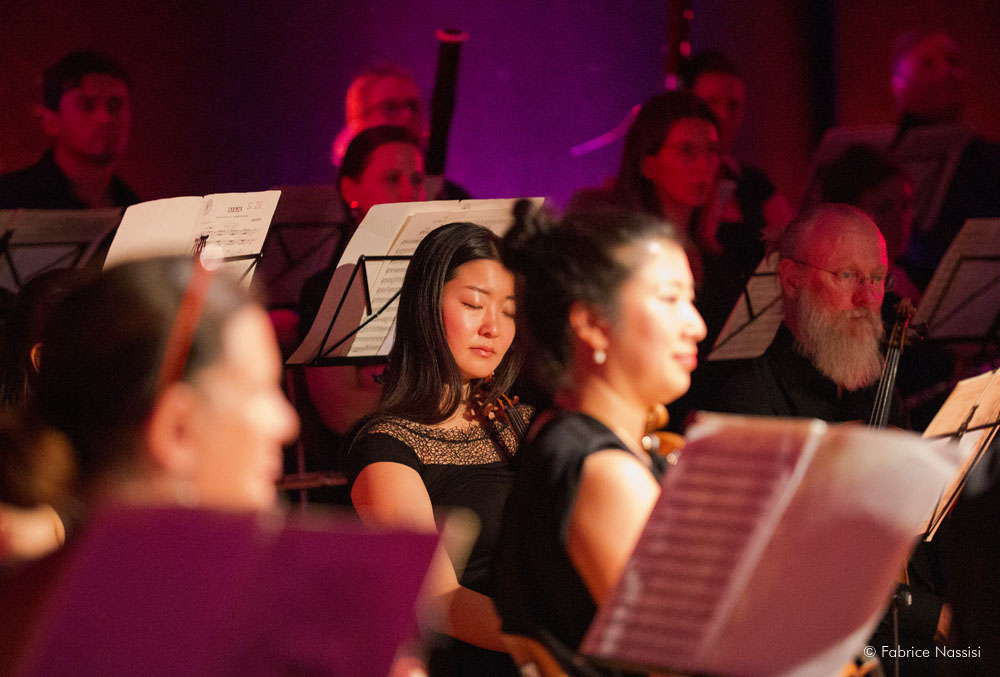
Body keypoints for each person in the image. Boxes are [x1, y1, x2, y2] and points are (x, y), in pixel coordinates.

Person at [710, 204, 948, 676]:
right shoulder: (750, 404)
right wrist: (937, 618)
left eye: (877, 279)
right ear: (791, 279)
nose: (867, 298)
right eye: (846, 276)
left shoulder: (881, 392)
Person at [494, 202, 706, 673]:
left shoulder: (565, 436)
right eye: (670, 298)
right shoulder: (605, 471)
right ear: (591, 323)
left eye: (690, 299)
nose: (697, 325)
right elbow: (680, 661)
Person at [346, 222, 528, 675]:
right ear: (427, 307)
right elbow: (441, 602)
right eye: (473, 304)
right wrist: (552, 643)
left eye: (508, 311)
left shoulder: (523, 420)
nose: (492, 327)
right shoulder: (387, 447)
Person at [290, 125, 427, 504]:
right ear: (351, 190)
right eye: (392, 179)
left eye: (416, 180)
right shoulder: (329, 290)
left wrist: (380, 388)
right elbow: (341, 411)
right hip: (364, 475)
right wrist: (439, 396)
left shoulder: (448, 281)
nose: (409, 192)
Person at [889, 31, 1000, 289]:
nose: (945, 72)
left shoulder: (986, 156)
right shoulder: (884, 161)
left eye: (953, 62)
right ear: (898, 87)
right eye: (928, 64)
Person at [681, 51, 792, 279]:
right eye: (711, 103)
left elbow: (793, 245)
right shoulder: (675, 179)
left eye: (733, 106)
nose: (722, 115)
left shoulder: (755, 184)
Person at [0, 50, 138, 209]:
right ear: (52, 120)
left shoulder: (135, 208)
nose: (105, 118)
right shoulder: (9, 200)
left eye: (115, 105)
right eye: (87, 105)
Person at [331, 64, 469, 201]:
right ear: (358, 119)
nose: (407, 116)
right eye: (390, 107)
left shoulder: (450, 196)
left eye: (413, 106)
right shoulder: (326, 199)